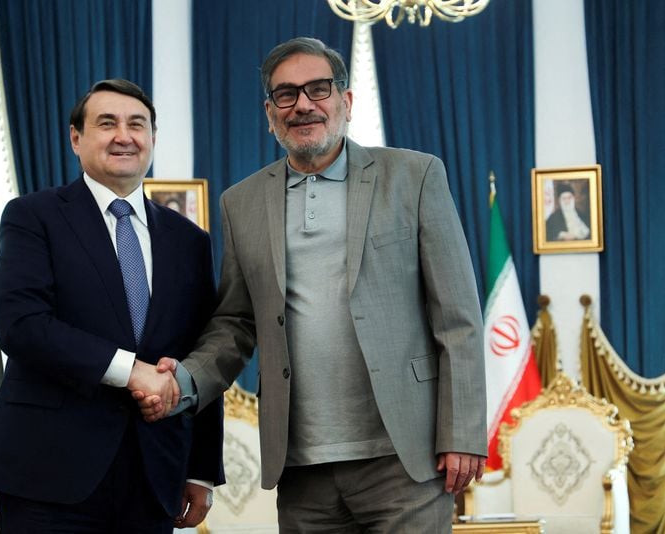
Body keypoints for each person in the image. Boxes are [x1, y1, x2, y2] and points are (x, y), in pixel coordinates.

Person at [138, 38, 487, 533]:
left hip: (405, 458)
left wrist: (462, 432)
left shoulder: (414, 176)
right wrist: (185, 380)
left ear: (346, 100)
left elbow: (458, 317)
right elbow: (236, 323)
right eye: (286, 94)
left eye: (318, 89)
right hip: (302, 467)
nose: (303, 104)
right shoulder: (241, 202)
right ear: (270, 113)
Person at [0, 79, 224, 533]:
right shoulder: (33, 216)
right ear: (76, 138)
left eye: (137, 125)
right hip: (47, 474)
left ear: (152, 138)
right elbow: (21, 324)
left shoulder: (190, 240)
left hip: (154, 476)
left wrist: (201, 469)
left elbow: (206, 352)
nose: (124, 136)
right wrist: (131, 370)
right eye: (107, 123)